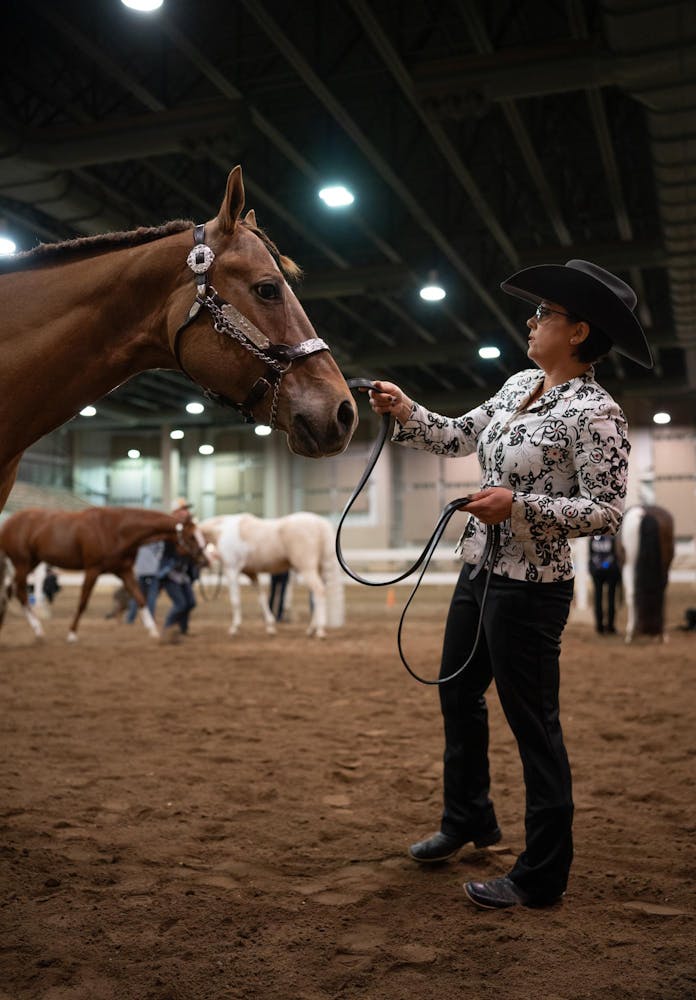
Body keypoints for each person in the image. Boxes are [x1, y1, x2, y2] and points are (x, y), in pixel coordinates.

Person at [368, 260, 652, 911]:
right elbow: (462, 435)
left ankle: (542, 874)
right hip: (480, 571)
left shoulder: (597, 412)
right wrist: (407, 409)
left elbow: (605, 510)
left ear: (579, 331)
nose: (532, 320)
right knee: (457, 695)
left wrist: (518, 508)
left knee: (533, 726)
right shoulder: (520, 384)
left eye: (545, 314)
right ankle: (469, 817)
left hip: (532, 586)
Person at [158, 498, 198, 642]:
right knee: (180, 603)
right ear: (175, 512)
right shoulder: (169, 529)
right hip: (170, 572)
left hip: (183, 572)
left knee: (191, 602)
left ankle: (182, 630)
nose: (186, 512)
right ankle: (167, 631)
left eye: (186, 509)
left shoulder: (187, 528)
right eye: (183, 509)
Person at [589, 533, 622, 634]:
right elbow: (616, 554)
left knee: (598, 598)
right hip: (611, 570)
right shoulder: (612, 536)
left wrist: (596, 567)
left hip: (596, 570)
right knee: (611, 598)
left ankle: (599, 626)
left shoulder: (592, 537)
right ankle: (610, 626)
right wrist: (606, 564)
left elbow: (591, 554)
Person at [125, 540, 164, 624]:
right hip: (153, 569)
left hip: (140, 569)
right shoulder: (157, 539)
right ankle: (149, 619)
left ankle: (130, 618)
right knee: (151, 596)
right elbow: (160, 551)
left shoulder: (140, 537)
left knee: (137, 595)